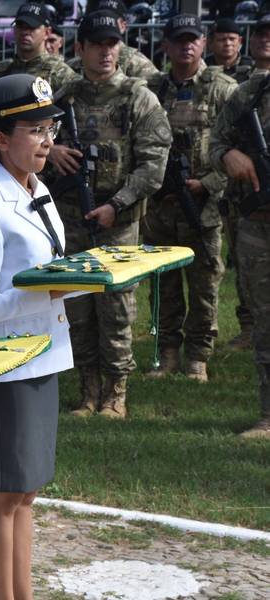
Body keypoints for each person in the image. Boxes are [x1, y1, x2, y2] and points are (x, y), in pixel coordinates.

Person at [0, 74, 73, 600]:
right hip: (7, 365)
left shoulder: (38, 189)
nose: (47, 139)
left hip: (44, 356)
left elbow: (48, 268)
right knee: (3, 495)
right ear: (0, 139)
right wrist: (50, 291)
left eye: (51, 127)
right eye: (35, 129)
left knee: (27, 492)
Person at [47, 10, 171, 418]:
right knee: (77, 306)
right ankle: (88, 390)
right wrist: (52, 150)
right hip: (70, 218)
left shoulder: (138, 97)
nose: (106, 51)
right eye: (97, 44)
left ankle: (116, 393)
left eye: (112, 44)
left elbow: (153, 165)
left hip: (117, 220)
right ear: (79, 48)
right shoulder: (60, 98)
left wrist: (115, 205)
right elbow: (24, 144)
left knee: (116, 308)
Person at [143, 14, 236, 383]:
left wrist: (209, 182)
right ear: (165, 46)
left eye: (193, 39)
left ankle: (198, 356)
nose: (187, 46)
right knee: (163, 284)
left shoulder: (223, 89)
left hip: (204, 207)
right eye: (179, 40)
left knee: (203, 285)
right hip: (160, 207)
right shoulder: (150, 90)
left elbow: (239, 148)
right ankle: (167, 353)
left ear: (204, 43)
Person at [209, 13, 270, 439]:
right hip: (258, 224)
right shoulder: (248, 94)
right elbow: (216, 143)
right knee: (266, 320)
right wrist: (227, 157)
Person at [0, 3, 74, 162]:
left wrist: (49, 149)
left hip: (45, 170)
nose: (25, 32)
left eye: (32, 27)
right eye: (21, 26)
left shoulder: (61, 75)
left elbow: (73, 126)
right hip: (2, 163)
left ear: (47, 32)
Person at [66, 0, 160, 80]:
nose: (104, 22)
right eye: (99, 16)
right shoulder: (75, 64)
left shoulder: (138, 64)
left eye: (111, 18)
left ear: (123, 26)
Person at [205, 18, 254, 83]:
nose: (228, 43)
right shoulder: (203, 67)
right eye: (222, 39)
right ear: (210, 43)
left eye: (232, 39)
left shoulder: (252, 67)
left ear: (240, 41)